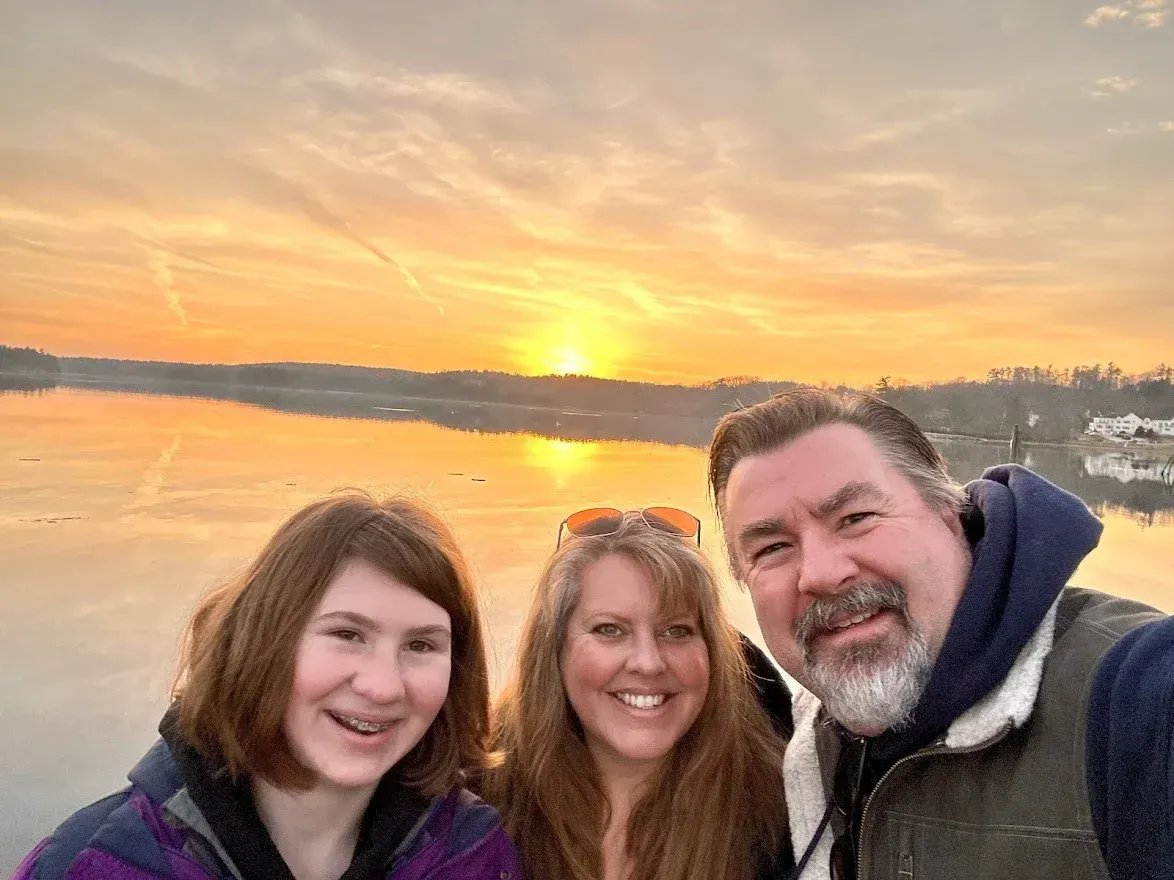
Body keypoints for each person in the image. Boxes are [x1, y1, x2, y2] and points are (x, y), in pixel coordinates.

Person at [707, 387, 1174, 880]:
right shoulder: (799, 738)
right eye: (773, 548)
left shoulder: (1137, 698)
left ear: (950, 515)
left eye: (856, 518)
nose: (820, 573)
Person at [13, 491, 521, 880]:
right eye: (347, 634)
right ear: (265, 641)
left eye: (421, 645)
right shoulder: (99, 861)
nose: (384, 687)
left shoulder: (472, 854)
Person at [482, 506, 792, 880]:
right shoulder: (476, 804)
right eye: (610, 630)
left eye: (676, 631)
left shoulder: (786, 814)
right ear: (553, 651)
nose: (648, 663)